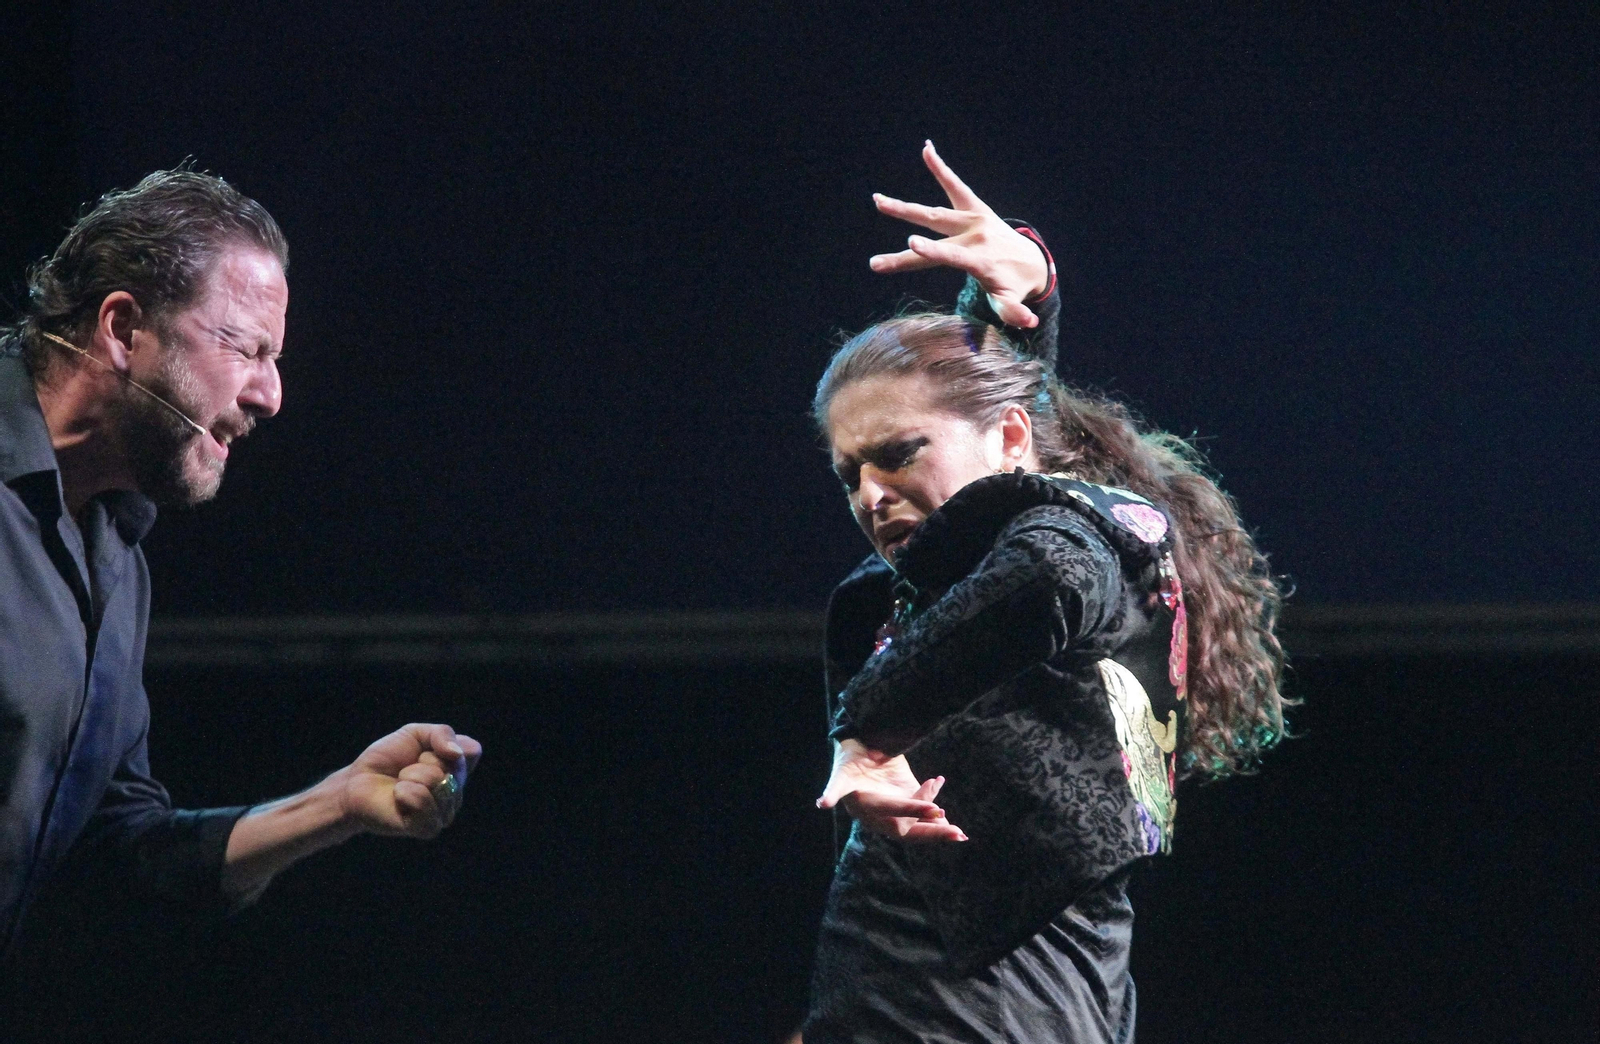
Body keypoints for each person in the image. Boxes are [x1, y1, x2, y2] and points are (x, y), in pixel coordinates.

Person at [802, 143, 1287, 1042]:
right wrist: (1026, 291)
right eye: (849, 473)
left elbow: (1042, 570)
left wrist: (866, 730)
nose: (871, 493)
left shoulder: (1076, 539)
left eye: (898, 454)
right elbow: (996, 431)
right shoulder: (930, 587)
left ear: (1016, 437)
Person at [0, 169, 482, 957]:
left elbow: (111, 863)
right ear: (122, 329)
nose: (271, 394)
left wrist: (333, 807)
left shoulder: (112, 560)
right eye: (244, 347)